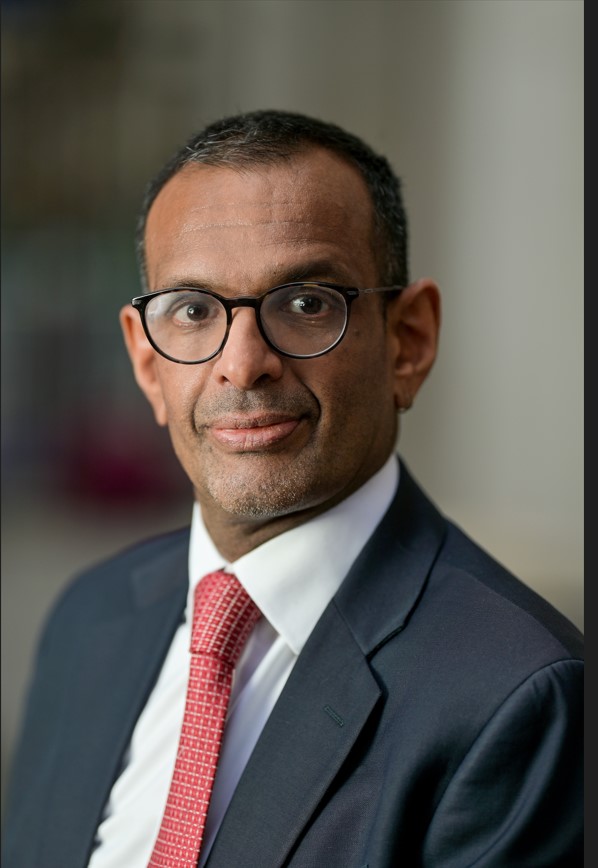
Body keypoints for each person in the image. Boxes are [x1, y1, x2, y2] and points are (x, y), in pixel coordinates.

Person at [2, 109, 583, 868]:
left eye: (306, 303)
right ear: (147, 363)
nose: (243, 364)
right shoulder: (90, 618)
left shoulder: (520, 698)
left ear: (408, 342)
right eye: (193, 310)